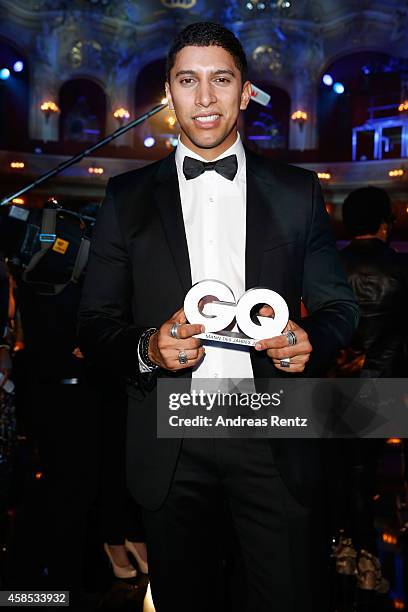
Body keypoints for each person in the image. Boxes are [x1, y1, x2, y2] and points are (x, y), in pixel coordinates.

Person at [78, 22, 359, 612]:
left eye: (220, 80)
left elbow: (340, 307)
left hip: (273, 427)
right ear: (169, 91)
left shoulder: (298, 191)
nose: (204, 98)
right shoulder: (126, 198)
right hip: (170, 437)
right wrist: (147, 349)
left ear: (244, 90)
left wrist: (312, 340)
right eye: (188, 80)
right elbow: (96, 319)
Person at [330, 186, 408, 594]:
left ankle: (345, 547)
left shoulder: (330, 266)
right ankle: (366, 557)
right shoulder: (402, 268)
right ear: (384, 222)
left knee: (340, 471)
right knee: (365, 474)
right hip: (385, 385)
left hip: (333, 384)